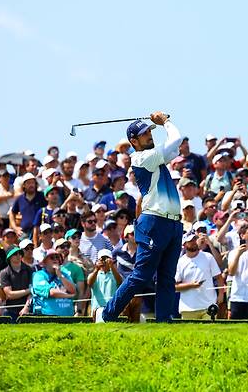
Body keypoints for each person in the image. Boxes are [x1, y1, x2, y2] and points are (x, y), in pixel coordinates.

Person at [97, 111, 185, 323]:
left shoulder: (154, 156)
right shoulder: (142, 158)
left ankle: (164, 321)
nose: (150, 135)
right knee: (141, 276)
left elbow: (175, 147)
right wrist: (165, 122)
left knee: (166, 278)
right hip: (153, 221)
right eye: (144, 134)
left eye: (149, 132)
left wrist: (163, 125)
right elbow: (176, 139)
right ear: (133, 141)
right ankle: (107, 314)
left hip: (172, 223)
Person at [175, 234, 224, 320]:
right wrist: (192, 285)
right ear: (184, 244)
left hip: (208, 305)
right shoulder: (180, 261)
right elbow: (175, 286)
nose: (194, 242)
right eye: (190, 241)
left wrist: (220, 294)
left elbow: (219, 277)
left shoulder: (208, 257)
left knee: (210, 332)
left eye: (195, 240)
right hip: (188, 308)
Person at [31, 249, 76, 316]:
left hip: (68, 315)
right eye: (52, 258)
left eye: (57, 257)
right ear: (45, 262)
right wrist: (69, 295)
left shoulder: (64, 274)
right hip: (47, 316)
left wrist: (60, 276)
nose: (55, 260)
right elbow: (51, 292)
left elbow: (73, 290)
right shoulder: (39, 275)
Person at [0, 246, 32, 321]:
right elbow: (10, 295)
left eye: (20, 253)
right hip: (9, 310)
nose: (18, 255)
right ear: (9, 257)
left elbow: (32, 294)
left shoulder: (29, 269)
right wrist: (29, 290)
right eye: (15, 254)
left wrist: (26, 307)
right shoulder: (4, 272)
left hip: (27, 308)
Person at [88, 249, 123, 315]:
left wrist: (112, 266)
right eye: (101, 259)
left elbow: (120, 282)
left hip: (112, 309)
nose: (104, 261)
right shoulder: (94, 274)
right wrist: (96, 269)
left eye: (106, 258)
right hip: (97, 309)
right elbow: (89, 283)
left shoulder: (115, 274)